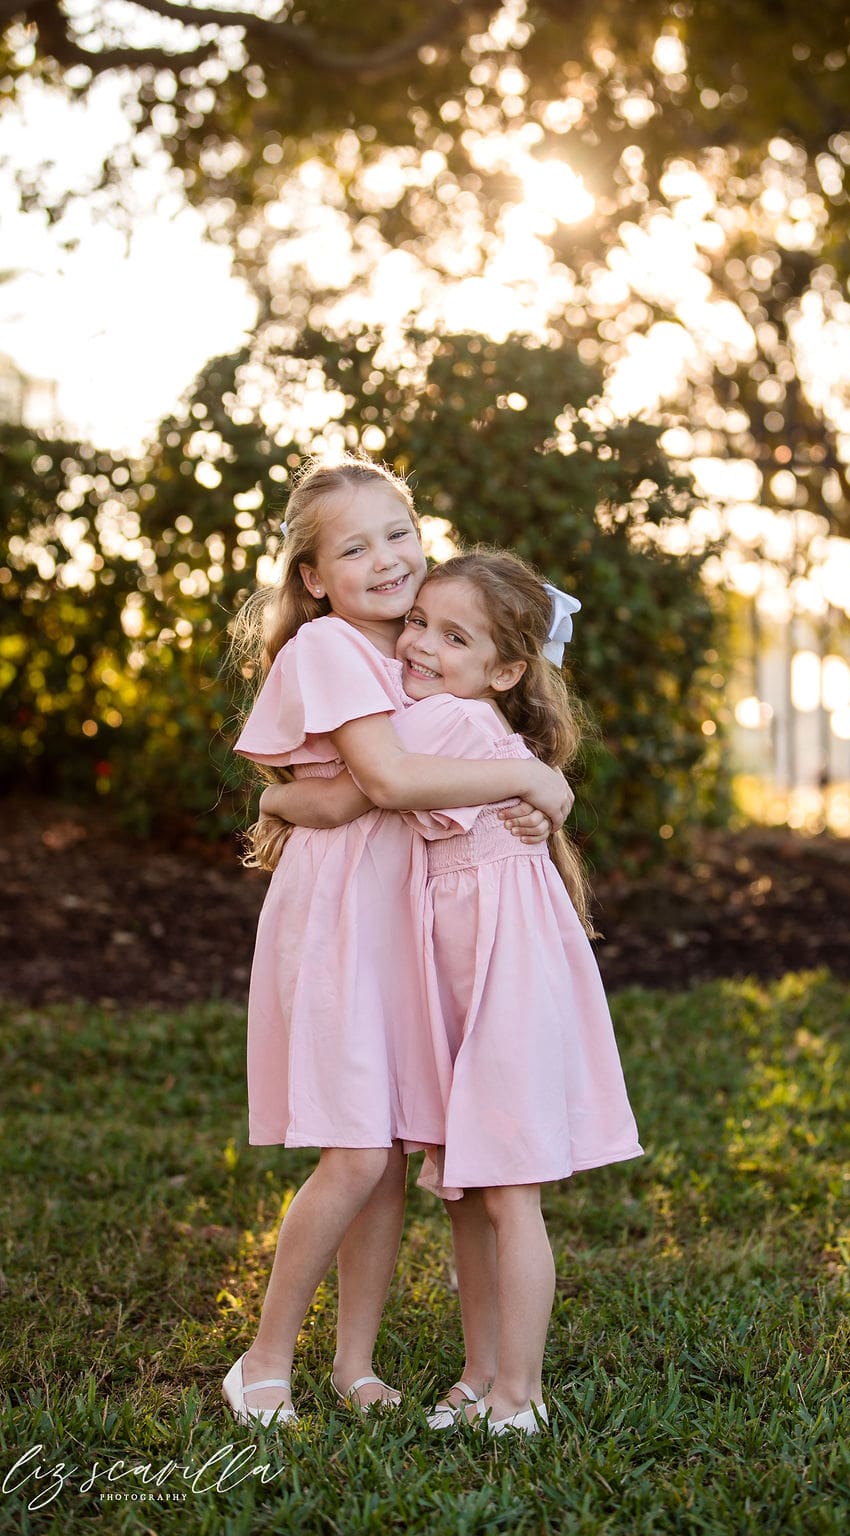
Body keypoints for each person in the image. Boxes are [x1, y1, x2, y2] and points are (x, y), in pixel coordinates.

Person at [223, 460, 572, 1429]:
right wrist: (532, 780)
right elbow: (376, 782)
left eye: (397, 532)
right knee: (352, 1154)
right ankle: (262, 1361)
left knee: (378, 1155)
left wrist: (522, 781)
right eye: (353, 546)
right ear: (313, 578)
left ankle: (355, 1366)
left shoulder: (414, 656)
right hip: (340, 920)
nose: (386, 559)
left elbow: (343, 787)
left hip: (401, 922)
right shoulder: (332, 645)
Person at [264, 549, 643, 1436]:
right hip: (479, 975)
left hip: (502, 980)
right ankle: (480, 1375)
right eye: (420, 624)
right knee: (473, 1188)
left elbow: (349, 797)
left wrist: (276, 804)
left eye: (454, 636)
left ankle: (518, 1395)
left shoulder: (449, 729)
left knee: (509, 1194)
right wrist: (544, 786)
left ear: (508, 670)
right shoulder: (466, 725)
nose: (422, 646)